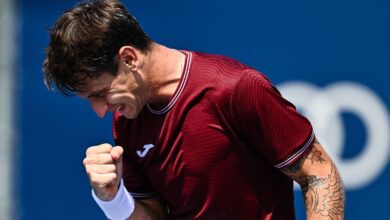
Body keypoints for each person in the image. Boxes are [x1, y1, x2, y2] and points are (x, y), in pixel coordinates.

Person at [43, 0, 345, 219]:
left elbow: (319, 173)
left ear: (129, 59)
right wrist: (111, 199)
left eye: (101, 93)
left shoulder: (236, 88)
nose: (100, 111)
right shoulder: (127, 123)